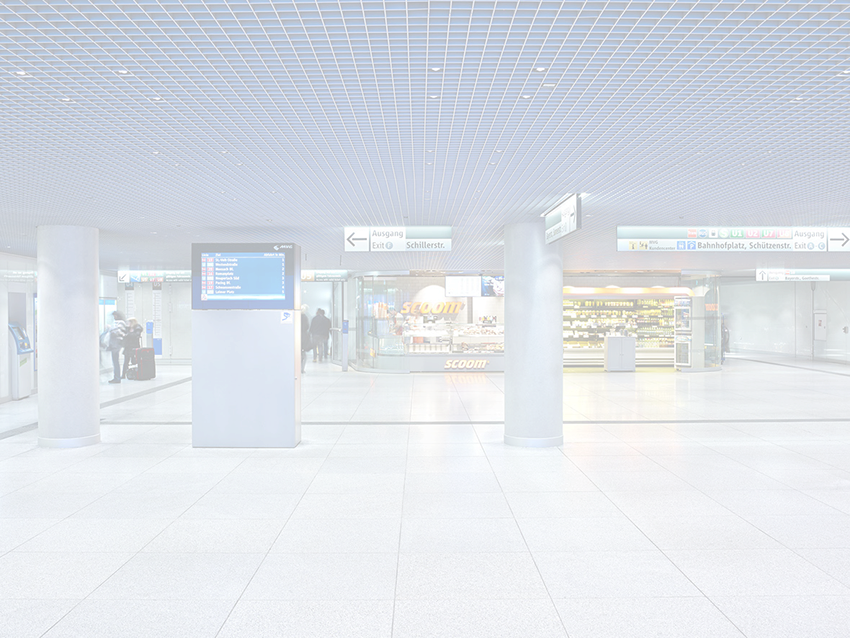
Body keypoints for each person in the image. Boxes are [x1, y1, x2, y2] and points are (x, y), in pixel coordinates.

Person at [107, 310, 127, 384]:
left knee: (115, 361)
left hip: (116, 344)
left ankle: (117, 377)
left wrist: (110, 328)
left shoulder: (120, 322)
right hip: (114, 344)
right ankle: (116, 377)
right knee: (115, 361)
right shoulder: (117, 322)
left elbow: (119, 332)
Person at [300, 304, 313, 373]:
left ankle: (297, 368)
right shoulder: (305, 317)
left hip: (297, 337)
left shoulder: (296, 316)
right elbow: (307, 326)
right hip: (303, 338)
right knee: (303, 354)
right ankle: (302, 368)